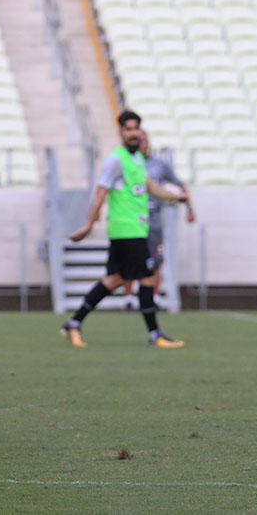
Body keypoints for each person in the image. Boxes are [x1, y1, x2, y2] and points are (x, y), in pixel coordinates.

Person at [61, 110, 187, 349]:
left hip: (134, 230)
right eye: (128, 129)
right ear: (120, 132)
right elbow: (100, 193)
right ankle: (155, 334)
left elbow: (150, 186)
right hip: (127, 230)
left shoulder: (137, 158)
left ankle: (74, 322)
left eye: (136, 129)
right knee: (148, 276)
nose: (133, 133)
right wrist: (89, 224)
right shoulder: (115, 160)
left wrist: (176, 197)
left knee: (115, 279)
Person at [123, 130, 195, 310]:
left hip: (154, 220)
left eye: (145, 141)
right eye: (139, 141)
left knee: (156, 259)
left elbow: (178, 184)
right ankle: (129, 297)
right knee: (130, 258)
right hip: (132, 220)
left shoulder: (159, 165)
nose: (143, 145)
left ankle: (154, 297)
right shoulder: (126, 164)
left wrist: (189, 207)